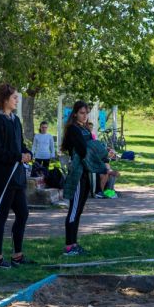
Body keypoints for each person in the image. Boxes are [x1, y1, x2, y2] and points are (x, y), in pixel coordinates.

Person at [0, 84, 34, 269]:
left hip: (18, 177)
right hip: (3, 177)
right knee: (1, 216)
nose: (17, 100)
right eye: (14, 97)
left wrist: (27, 153)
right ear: (4, 99)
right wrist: (17, 156)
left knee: (23, 213)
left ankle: (17, 256)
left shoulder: (15, 120)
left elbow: (20, 144)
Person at [61, 101, 93, 256]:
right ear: (75, 114)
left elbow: (91, 146)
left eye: (86, 113)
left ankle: (74, 243)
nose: (85, 115)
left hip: (86, 172)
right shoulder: (73, 129)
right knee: (74, 210)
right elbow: (83, 149)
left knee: (79, 210)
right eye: (82, 112)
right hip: (77, 174)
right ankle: (69, 246)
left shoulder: (84, 128)